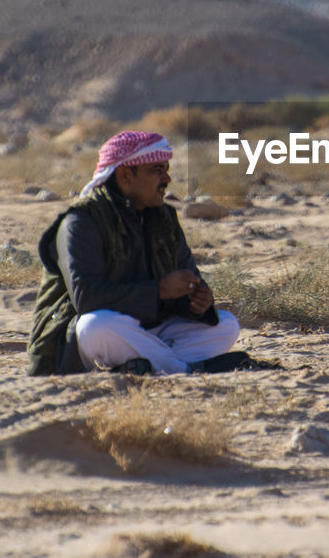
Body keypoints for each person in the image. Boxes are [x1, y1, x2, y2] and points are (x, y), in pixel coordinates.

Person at [27, 130, 241, 375]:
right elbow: (86, 298)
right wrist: (159, 290)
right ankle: (182, 369)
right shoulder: (82, 221)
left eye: (166, 169)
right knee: (95, 325)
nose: (167, 178)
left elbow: (187, 280)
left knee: (226, 325)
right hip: (89, 336)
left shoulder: (164, 218)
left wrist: (197, 303)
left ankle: (141, 365)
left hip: (147, 331)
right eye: (157, 170)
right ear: (125, 175)